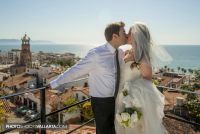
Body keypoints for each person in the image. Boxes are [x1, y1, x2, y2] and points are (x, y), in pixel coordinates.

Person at [49, 21, 127, 134]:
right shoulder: (96, 54)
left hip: (118, 100)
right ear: (115, 36)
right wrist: (54, 83)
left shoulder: (120, 52)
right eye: (123, 32)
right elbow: (75, 71)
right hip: (101, 102)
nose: (126, 34)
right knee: (104, 131)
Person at [115, 22, 168, 134]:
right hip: (122, 94)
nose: (127, 35)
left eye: (129, 33)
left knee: (134, 127)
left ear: (136, 36)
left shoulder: (143, 57)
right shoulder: (129, 51)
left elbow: (147, 80)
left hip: (133, 98)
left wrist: (130, 93)